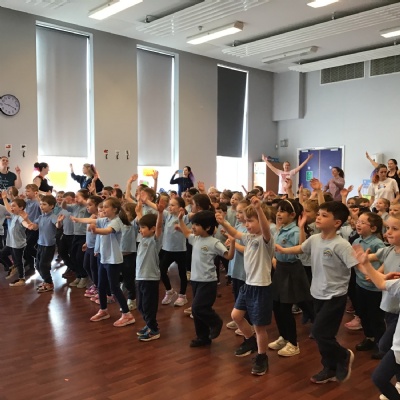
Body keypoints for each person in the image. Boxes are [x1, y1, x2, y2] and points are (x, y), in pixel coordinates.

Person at [275, 201, 358, 384]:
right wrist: (282, 249)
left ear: (337, 223)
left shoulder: (341, 245)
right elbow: (301, 248)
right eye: (318, 214)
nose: (318, 217)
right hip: (317, 293)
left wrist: (373, 275)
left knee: (320, 332)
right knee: (323, 335)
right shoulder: (315, 239)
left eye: (324, 215)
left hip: (335, 296)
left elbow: (357, 265)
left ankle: (343, 355)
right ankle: (329, 367)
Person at [216, 196, 274, 376]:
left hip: (261, 287)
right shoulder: (249, 238)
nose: (247, 224)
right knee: (236, 316)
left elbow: (265, 228)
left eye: (251, 221)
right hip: (248, 285)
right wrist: (223, 222)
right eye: (246, 221)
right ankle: (250, 341)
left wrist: (259, 209)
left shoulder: (266, 239)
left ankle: (262, 356)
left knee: (259, 327)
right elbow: (235, 233)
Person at [353, 230, 400, 400]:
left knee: (380, 372)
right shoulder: (388, 251)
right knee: (380, 372)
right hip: (392, 315)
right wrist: (364, 264)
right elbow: (380, 281)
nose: (388, 232)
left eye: (395, 228)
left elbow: (380, 282)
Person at [179, 210, 234, 348]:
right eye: (193, 224)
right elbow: (186, 233)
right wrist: (180, 220)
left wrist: (232, 243)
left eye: (197, 225)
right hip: (196, 280)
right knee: (196, 311)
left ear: (208, 227)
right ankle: (203, 337)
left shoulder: (214, 242)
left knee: (198, 308)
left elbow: (228, 256)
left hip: (208, 281)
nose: (193, 227)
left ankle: (216, 322)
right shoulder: (196, 239)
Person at [268, 199, 313, 357]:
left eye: (282, 211)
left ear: (292, 215)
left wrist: (301, 228)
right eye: (278, 210)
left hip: (292, 270)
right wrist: (274, 259)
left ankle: (293, 343)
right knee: (276, 305)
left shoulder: (295, 231)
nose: (278, 214)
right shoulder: (280, 229)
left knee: (285, 308)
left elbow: (302, 248)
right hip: (280, 269)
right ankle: (284, 336)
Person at [88, 197, 135, 327]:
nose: (103, 209)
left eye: (106, 207)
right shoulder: (105, 220)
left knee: (114, 287)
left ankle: (127, 314)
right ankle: (103, 310)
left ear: (114, 209)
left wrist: (95, 230)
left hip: (113, 260)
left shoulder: (116, 221)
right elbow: (91, 220)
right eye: (102, 207)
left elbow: (107, 231)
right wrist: (76, 219)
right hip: (104, 258)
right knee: (101, 285)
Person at [352, 212, 386, 353]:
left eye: (362, 222)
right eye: (358, 221)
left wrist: (376, 274)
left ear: (373, 228)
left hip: (374, 288)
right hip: (360, 284)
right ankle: (369, 338)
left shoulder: (377, 243)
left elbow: (385, 261)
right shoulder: (356, 241)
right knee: (363, 313)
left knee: (376, 317)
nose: (358, 224)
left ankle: (381, 343)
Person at [135, 199, 165, 341]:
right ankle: (148, 324)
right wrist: (138, 211)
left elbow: (158, 227)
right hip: (140, 277)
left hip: (150, 278)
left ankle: (154, 330)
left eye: (143, 228)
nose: (140, 230)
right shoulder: (143, 239)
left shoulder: (154, 240)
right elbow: (142, 221)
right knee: (140, 306)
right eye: (140, 228)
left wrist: (160, 213)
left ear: (152, 229)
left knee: (148, 306)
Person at [26, 195, 64, 293]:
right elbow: (35, 227)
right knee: (38, 265)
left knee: (43, 265)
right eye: (40, 204)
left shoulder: (53, 217)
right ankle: (46, 281)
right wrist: (28, 221)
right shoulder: (40, 217)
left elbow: (58, 225)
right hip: (40, 244)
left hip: (48, 245)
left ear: (51, 206)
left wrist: (59, 222)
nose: (41, 206)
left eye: (44, 204)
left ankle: (49, 283)